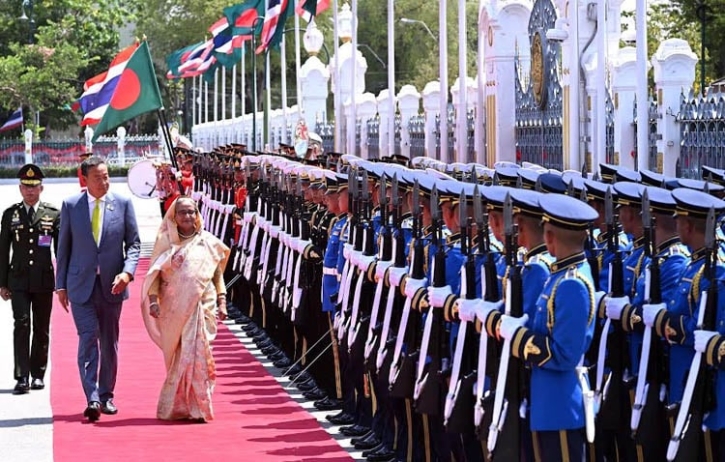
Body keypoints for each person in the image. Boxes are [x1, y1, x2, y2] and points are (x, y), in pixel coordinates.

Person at [55, 155, 141, 422]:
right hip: (80, 285)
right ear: (85, 179)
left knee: (109, 342)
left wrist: (127, 273)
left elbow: (134, 244)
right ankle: (92, 397)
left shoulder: (123, 204)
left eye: (106, 176)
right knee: (88, 337)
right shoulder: (71, 206)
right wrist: (60, 286)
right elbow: (64, 248)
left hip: (111, 287)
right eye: (97, 177)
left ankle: (106, 395)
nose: (104, 181)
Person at [140, 196, 230, 422]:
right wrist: (153, 302)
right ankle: (177, 407)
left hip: (202, 306)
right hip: (174, 309)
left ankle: (199, 407)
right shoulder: (166, 242)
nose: (188, 216)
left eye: (191, 211)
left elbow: (217, 273)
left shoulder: (207, 242)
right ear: (174, 216)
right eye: (183, 212)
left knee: (199, 353)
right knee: (180, 357)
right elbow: (155, 277)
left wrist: (222, 300)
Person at [0, 164, 60, 394]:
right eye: (26, 187)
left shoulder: (52, 214)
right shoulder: (10, 214)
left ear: (41, 188)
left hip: (43, 280)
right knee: (22, 324)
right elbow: (3, 249)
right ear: (20, 188)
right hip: (18, 280)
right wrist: (2, 282)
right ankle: (21, 376)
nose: (30, 191)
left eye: (34, 187)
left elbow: (60, 250)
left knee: (42, 327)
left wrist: (62, 281)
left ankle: (37, 375)